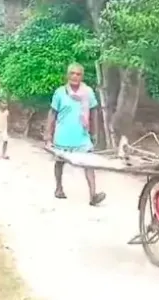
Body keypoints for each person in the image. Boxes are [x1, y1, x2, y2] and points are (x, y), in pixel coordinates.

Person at [44, 63, 106, 205]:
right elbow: (52, 113)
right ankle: (59, 188)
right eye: (72, 73)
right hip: (63, 136)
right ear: (67, 75)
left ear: (82, 76)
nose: (75, 76)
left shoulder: (88, 92)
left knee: (89, 164)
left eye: (78, 74)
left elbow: (94, 111)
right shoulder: (60, 92)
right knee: (59, 163)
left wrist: (95, 132)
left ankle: (93, 195)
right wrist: (48, 134)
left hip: (82, 136)